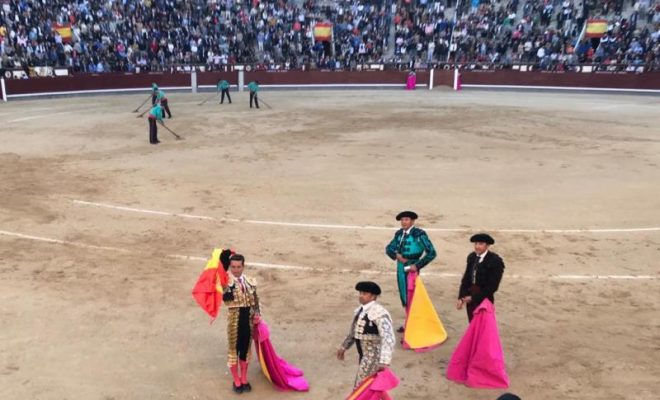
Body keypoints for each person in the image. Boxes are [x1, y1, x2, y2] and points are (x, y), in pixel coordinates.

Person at [337, 281, 395, 388]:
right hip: (364, 356)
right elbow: (354, 332)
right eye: (360, 293)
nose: (360, 296)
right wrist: (344, 346)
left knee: (361, 386)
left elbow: (388, 338)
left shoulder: (380, 313)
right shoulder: (361, 310)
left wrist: (384, 361)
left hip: (373, 357)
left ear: (373, 296)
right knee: (369, 387)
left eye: (364, 293)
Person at [385, 211, 437, 331]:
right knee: (404, 294)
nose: (404, 222)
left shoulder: (419, 234)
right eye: (402, 220)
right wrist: (397, 256)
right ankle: (409, 320)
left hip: (412, 267)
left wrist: (417, 265)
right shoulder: (399, 233)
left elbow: (432, 252)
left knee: (411, 294)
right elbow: (389, 248)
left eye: (407, 219)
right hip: (400, 267)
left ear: (413, 221)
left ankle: (412, 324)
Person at [221, 254, 261, 394]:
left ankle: (244, 378)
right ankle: (236, 379)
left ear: (243, 266)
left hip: (248, 321)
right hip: (234, 321)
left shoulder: (250, 281)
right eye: (233, 267)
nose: (236, 270)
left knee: (245, 350)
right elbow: (225, 298)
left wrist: (257, 313)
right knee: (234, 351)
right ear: (230, 267)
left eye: (238, 267)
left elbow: (255, 300)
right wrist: (224, 286)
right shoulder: (226, 282)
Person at [456, 233, 505, 321]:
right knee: (472, 322)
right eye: (476, 244)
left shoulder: (495, 261)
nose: (477, 246)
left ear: (488, 245)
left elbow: (492, 287)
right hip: (471, 295)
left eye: (481, 244)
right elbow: (466, 279)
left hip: (485, 298)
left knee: (483, 325)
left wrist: (474, 298)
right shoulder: (472, 257)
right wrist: (461, 297)